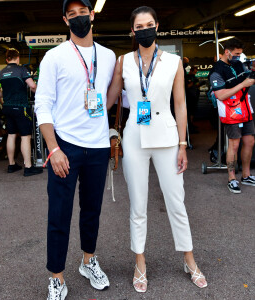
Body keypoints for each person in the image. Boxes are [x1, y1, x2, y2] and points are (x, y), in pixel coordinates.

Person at [107, 6, 207, 292]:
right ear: (133, 31)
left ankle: (189, 259)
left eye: (149, 24)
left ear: (157, 26)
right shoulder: (123, 61)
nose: (145, 30)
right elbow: (112, 97)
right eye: (139, 26)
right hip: (135, 138)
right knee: (138, 205)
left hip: (166, 137)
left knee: (177, 201)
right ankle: (140, 262)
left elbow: (180, 104)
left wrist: (183, 144)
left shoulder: (174, 61)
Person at [34, 1, 116, 299]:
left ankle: (88, 261)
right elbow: (42, 104)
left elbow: (111, 97)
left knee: (91, 211)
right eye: (72, 15)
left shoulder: (108, 56)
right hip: (64, 146)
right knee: (59, 213)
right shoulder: (54, 57)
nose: (79, 18)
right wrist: (53, 149)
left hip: (97, 147)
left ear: (92, 16)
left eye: (84, 13)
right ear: (65, 20)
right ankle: (56, 277)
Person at [209, 38, 255, 194]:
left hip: (245, 108)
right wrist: (242, 85)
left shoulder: (237, 64)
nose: (238, 57)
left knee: (249, 141)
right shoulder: (216, 70)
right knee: (234, 145)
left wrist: (253, 70)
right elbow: (221, 95)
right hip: (230, 111)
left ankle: (246, 175)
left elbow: (248, 78)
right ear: (227, 52)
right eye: (236, 54)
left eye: (240, 54)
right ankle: (231, 178)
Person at [0, 48, 43, 177]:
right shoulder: (22, 70)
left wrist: (7, 94)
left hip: (7, 107)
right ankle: (28, 167)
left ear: (7, 59)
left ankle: (11, 164)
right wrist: (40, 94)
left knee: (11, 135)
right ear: (18, 58)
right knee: (25, 136)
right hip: (21, 107)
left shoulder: (1, 73)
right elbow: (32, 86)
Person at [185, 66, 200, 133]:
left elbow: (196, 85)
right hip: (189, 97)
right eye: (194, 72)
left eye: (196, 72)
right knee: (189, 111)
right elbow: (187, 86)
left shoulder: (194, 77)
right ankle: (189, 126)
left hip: (194, 96)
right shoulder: (187, 77)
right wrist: (193, 82)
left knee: (193, 111)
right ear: (191, 70)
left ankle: (191, 124)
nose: (195, 73)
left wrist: (199, 84)